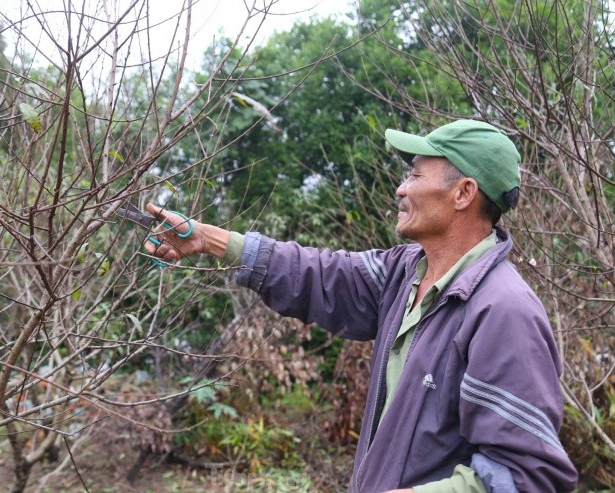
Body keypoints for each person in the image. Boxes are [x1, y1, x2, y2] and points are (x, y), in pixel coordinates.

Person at [143, 119, 578, 492]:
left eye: (415, 175)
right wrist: (209, 239)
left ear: (463, 193)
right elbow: (319, 273)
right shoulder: (404, 273)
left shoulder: (503, 311)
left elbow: (525, 476)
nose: (400, 188)